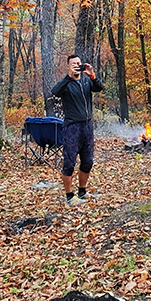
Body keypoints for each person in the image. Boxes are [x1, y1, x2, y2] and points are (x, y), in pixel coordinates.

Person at [49, 53, 103, 206]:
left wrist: (92, 75)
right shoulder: (66, 84)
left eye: (79, 63)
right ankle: (69, 196)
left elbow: (99, 88)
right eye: (73, 63)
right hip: (72, 127)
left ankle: (82, 192)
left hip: (87, 126)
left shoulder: (86, 82)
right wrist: (68, 77)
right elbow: (55, 92)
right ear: (68, 66)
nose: (77, 65)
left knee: (88, 161)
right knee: (70, 162)